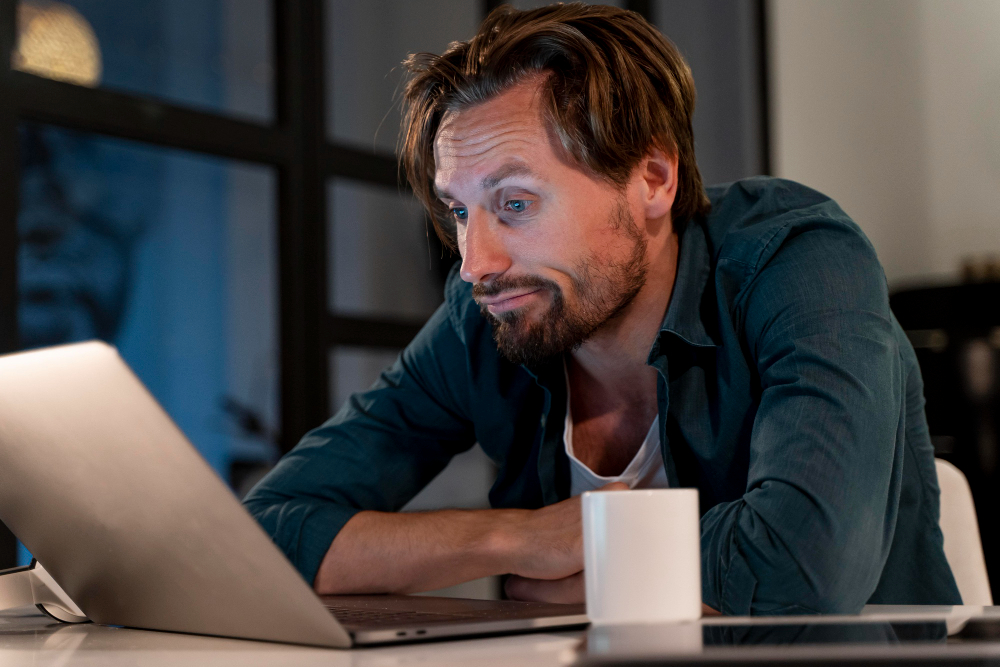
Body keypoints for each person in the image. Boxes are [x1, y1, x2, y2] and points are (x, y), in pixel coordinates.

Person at [244, 3, 961, 614]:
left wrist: (567, 569)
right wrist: (526, 538)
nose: (476, 263)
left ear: (652, 178)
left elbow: (803, 570)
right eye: (460, 210)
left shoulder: (797, 261)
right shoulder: (487, 315)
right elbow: (267, 534)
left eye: (515, 203)